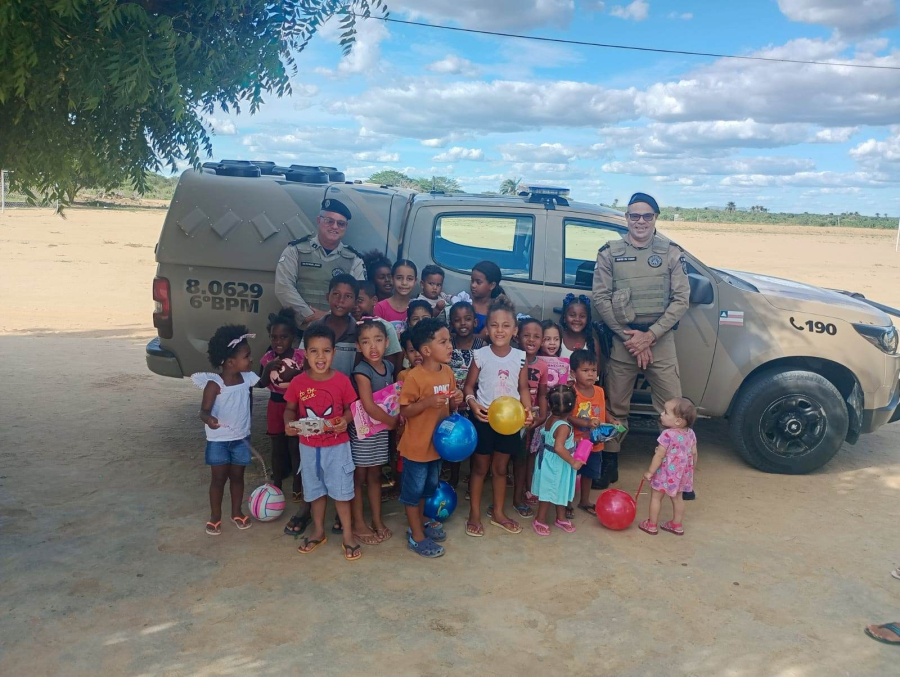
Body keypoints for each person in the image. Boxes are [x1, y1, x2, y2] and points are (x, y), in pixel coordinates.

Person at [591, 192, 690, 493]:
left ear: (656, 218)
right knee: (615, 406)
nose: (641, 221)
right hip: (624, 340)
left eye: (647, 216)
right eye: (635, 215)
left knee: (673, 408)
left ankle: (676, 471)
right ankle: (609, 463)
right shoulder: (609, 253)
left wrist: (650, 336)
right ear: (626, 218)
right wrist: (629, 338)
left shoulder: (670, 253)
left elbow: (681, 299)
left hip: (660, 339)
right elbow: (600, 298)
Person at [284, 324, 361, 561]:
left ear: (334, 353)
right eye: (314, 351)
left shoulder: (342, 381)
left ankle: (348, 534)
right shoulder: (298, 383)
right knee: (315, 491)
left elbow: (351, 408)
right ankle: (318, 531)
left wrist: (345, 420)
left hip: (337, 448)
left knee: (342, 493)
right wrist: (289, 424)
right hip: (308, 448)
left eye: (326, 351)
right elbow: (290, 409)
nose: (320, 357)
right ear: (305, 354)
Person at [463, 295, 534, 537]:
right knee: (480, 468)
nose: (499, 330)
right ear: (487, 328)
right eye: (494, 325)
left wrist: (527, 411)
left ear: (515, 330)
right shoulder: (480, 355)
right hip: (483, 418)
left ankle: (499, 513)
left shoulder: (520, 357)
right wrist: (472, 404)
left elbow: (523, 388)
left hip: (510, 422)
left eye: (506, 325)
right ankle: (474, 514)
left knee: (501, 469)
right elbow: (469, 386)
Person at [398, 318, 463, 557]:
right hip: (417, 448)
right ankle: (416, 536)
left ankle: (422, 520)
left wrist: (457, 398)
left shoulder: (447, 372)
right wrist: (426, 403)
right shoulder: (414, 377)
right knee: (413, 493)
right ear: (426, 350)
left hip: (437, 446)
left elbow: (451, 406)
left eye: (449, 341)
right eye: (443, 342)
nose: (450, 346)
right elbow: (405, 410)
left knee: (428, 488)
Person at [192, 325, 259, 535]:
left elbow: (262, 383)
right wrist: (209, 419)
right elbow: (203, 411)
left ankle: (236, 512)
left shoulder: (247, 379)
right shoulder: (214, 384)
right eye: (247, 356)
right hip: (218, 441)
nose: (251, 359)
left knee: (238, 477)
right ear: (231, 362)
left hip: (241, 439)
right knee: (218, 479)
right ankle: (215, 516)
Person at [274, 199, 365, 328]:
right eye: (329, 221)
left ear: (346, 227)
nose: (335, 227)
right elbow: (283, 288)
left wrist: (329, 318)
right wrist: (308, 315)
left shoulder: (354, 259)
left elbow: (358, 296)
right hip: (299, 330)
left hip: (336, 332)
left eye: (340, 223)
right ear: (318, 220)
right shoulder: (295, 251)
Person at [349, 318, 397, 546]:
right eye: (366, 342)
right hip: (363, 432)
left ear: (387, 342)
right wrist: (392, 422)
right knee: (359, 477)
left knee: (375, 475)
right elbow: (368, 405)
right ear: (358, 346)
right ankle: (359, 522)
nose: (373, 346)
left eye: (378, 340)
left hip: (380, 431)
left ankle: (377, 520)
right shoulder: (361, 371)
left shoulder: (389, 367)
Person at [257, 309, 305, 509]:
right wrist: (268, 370)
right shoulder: (268, 358)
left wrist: (296, 373)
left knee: (295, 446)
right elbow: (260, 384)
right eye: (274, 337)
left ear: (293, 337)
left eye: (283, 337)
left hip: (295, 406)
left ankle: (297, 483)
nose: (278, 342)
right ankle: (276, 484)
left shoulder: (301, 357)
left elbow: (309, 378)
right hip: (275, 404)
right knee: (277, 446)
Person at [639, 398, 697, 536]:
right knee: (678, 498)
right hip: (681, 474)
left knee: (656, 497)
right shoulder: (690, 433)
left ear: (677, 421)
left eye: (666, 412)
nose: (661, 414)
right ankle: (676, 525)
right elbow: (694, 453)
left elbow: (659, 455)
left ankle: (651, 525)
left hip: (664, 473)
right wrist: (691, 470)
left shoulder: (667, 434)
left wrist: (650, 472)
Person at [531, 385, 584, 536]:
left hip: (549, 460)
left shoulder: (551, 419)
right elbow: (559, 447)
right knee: (548, 491)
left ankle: (561, 517)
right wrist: (573, 462)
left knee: (560, 489)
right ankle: (540, 519)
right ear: (574, 405)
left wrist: (574, 442)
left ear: (549, 404)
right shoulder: (564, 427)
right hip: (557, 463)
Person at [568, 350, 607, 517]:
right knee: (572, 473)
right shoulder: (572, 393)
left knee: (589, 473)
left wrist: (612, 420)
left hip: (595, 442)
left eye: (593, 370)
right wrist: (586, 423)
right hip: (577, 442)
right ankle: (566, 502)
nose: (590, 374)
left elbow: (603, 409)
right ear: (573, 373)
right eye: (585, 370)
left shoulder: (599, 391)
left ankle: (584, 501)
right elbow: (568, 416)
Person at [516, 317, 547, 516]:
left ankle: (523, 493)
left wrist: (541, 417)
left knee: (527, 456)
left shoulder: (542, 365)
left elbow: (542, 394)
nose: (531, 340)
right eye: (526, 335)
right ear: (517, 337)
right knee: (509, 457)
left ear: (542, 340)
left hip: (532, 420)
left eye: (536, 336)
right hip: (511, 417)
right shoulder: (513, 359)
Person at [300, 274, 359, 377]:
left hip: (348, 386)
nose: (341, 300)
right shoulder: (314, 327)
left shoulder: (358, 330)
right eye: (336, 294)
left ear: (355, 301)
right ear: (328, 296)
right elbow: (304, 362)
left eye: (348, 296)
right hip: (317, 385)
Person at [353, 280, 402, 372]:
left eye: (359, 301)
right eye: (352, 300)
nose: (354, 306)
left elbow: (392, 363)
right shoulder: (348, 324)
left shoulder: (386, 327)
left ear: (374, 300)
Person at [374, 259, 418, 335]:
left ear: (415, 281)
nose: (404, 283)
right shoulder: (380, 308)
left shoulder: (418, 307)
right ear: (392, 278)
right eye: (399, 278)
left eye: (409, 279)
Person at [469, 260, 505, 336]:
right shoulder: (465, 301)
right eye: (472, 281)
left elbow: (482, 337)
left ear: (492, 285)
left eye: (478, 282)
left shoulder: (495, 309)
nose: (473, 285)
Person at [560, 293, 601, 358]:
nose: (577, 319)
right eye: (572, 315)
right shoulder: (558, 339)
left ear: (588, 319)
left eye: (582, 316)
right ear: (565, 318)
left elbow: (597, 364)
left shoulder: (592, 343)